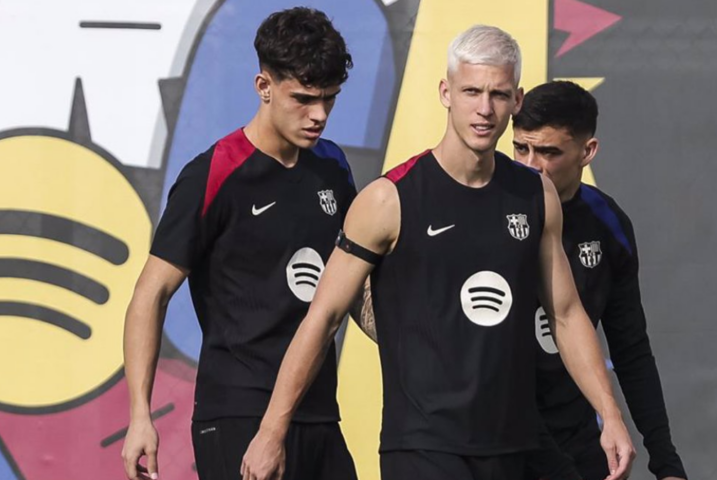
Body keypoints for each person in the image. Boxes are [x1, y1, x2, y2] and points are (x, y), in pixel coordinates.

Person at [241, 25, 635, 480]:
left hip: (513, 447)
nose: (484, 109)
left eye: (499, 95)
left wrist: (611, 415)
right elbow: (322, 317)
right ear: (446, 92)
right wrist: (272, 430)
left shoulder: (536, 195)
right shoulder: (389, 199)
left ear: (518, 100)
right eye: (471, 91)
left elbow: (566, 315)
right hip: (423, 448)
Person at [121, 7, 370, 480]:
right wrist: (139, 416)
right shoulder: (213, 174)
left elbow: (353, 283)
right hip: (238, 413)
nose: (319, 115)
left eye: (329, 99)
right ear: (264, 87)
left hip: (318, 412)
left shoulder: (333, 167)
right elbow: (149, 296)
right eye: (303, 98)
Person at [512, 81, 687, 480]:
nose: (529, 165)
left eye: (548, 152)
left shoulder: (607, 224)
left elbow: (631, 349)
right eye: (521, 147)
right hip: (497, 440)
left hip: (574, 437)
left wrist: (666, 461)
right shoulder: (489, 212)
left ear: (587, 152)